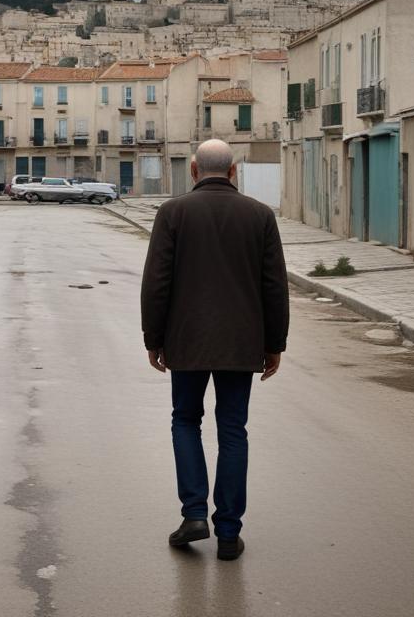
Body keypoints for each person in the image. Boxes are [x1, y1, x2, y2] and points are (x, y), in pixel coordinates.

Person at [140, 139, 289, 561]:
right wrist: (274, 344)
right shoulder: (260, 216)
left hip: (185, 341)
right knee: (232, 429)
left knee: (185, 421)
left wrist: (154, 339)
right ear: (233, 171)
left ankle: (193, 514)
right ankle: (228, 531)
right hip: (241, 344)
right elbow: (274, 286)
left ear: (192, 170)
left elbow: (157, 283)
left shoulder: (173, 213)